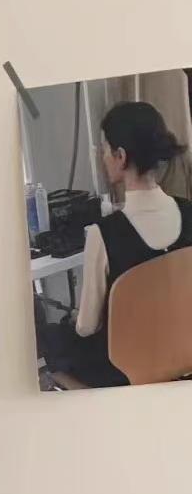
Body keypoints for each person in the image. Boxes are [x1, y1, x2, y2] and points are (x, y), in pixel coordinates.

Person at [62, 101, 192, 387]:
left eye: (105, 149)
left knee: (54, 338)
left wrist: (74, 318)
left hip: (128, 374)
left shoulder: (103, 234)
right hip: (186, 360)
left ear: (120, 156)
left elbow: (87, 327)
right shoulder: (189, 213)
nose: (103, 156)